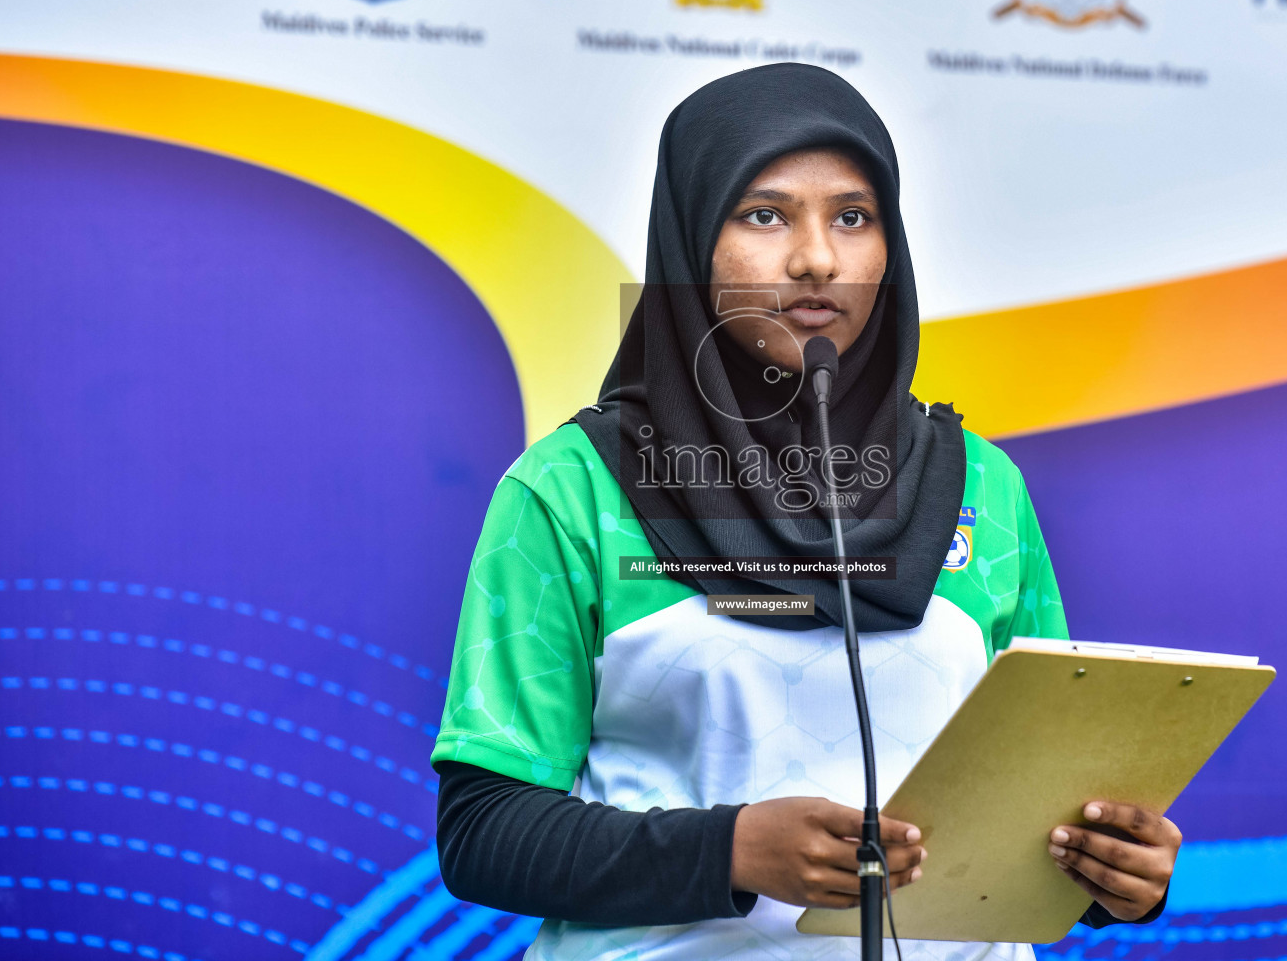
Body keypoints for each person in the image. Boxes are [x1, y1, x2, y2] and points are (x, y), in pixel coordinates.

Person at [430, 63, 1180, 960]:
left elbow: (1038, 799)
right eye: (766, 214)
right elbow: (484, 832)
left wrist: (1112, 876)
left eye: (853, 218)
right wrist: (732, 849)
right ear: (690, 237)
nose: (818, 256)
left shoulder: (980, 485)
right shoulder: (572, 489)